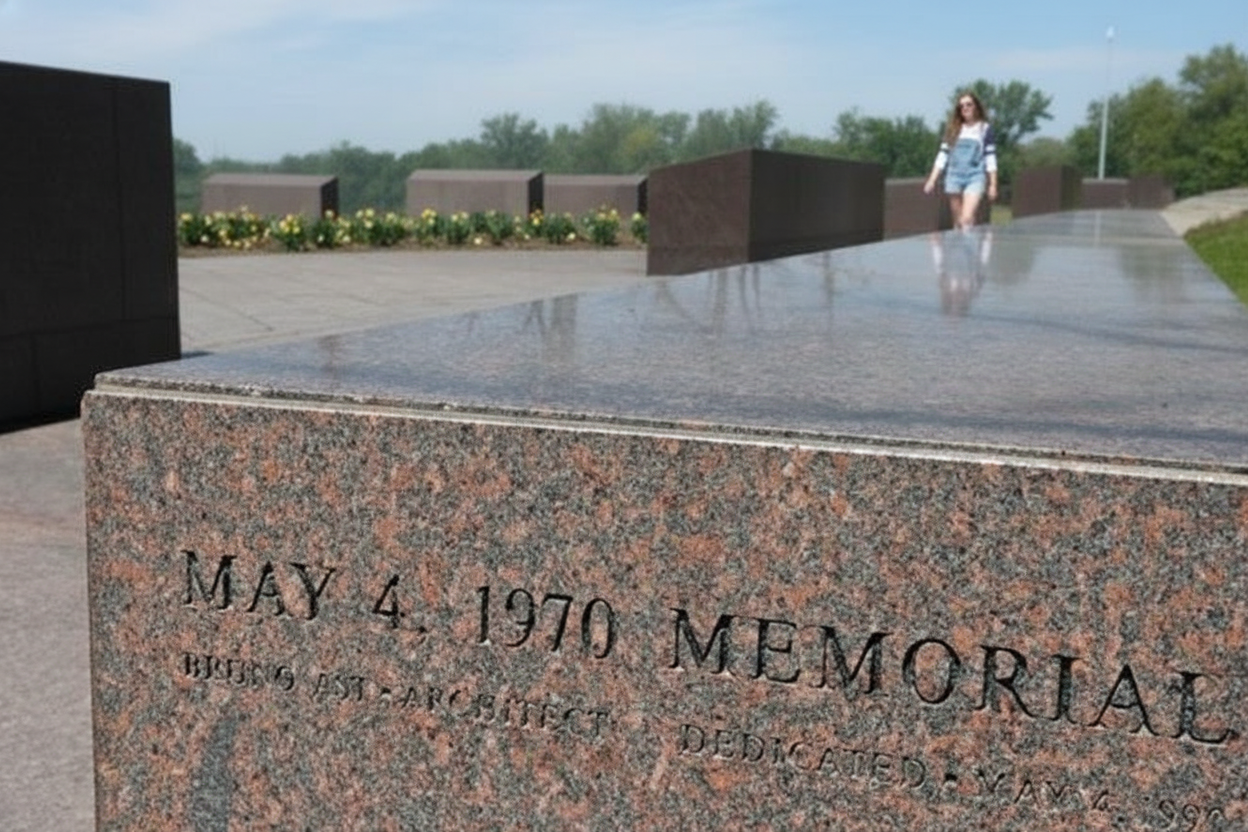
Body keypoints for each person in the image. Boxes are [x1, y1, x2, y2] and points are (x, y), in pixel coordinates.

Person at [923, 92, 998, 230]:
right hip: (954, 175)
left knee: (967, 218)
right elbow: (942, 155)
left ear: (976, 107)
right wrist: (932, 180)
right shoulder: (953, 129)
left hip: (975, 175)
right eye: (961, 106)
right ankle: (963, 250)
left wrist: (993, 184)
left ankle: (970, 249)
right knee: (958, 223)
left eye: (969, 104)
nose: (965, 108)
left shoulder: (985, 129)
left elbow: (990, 157)